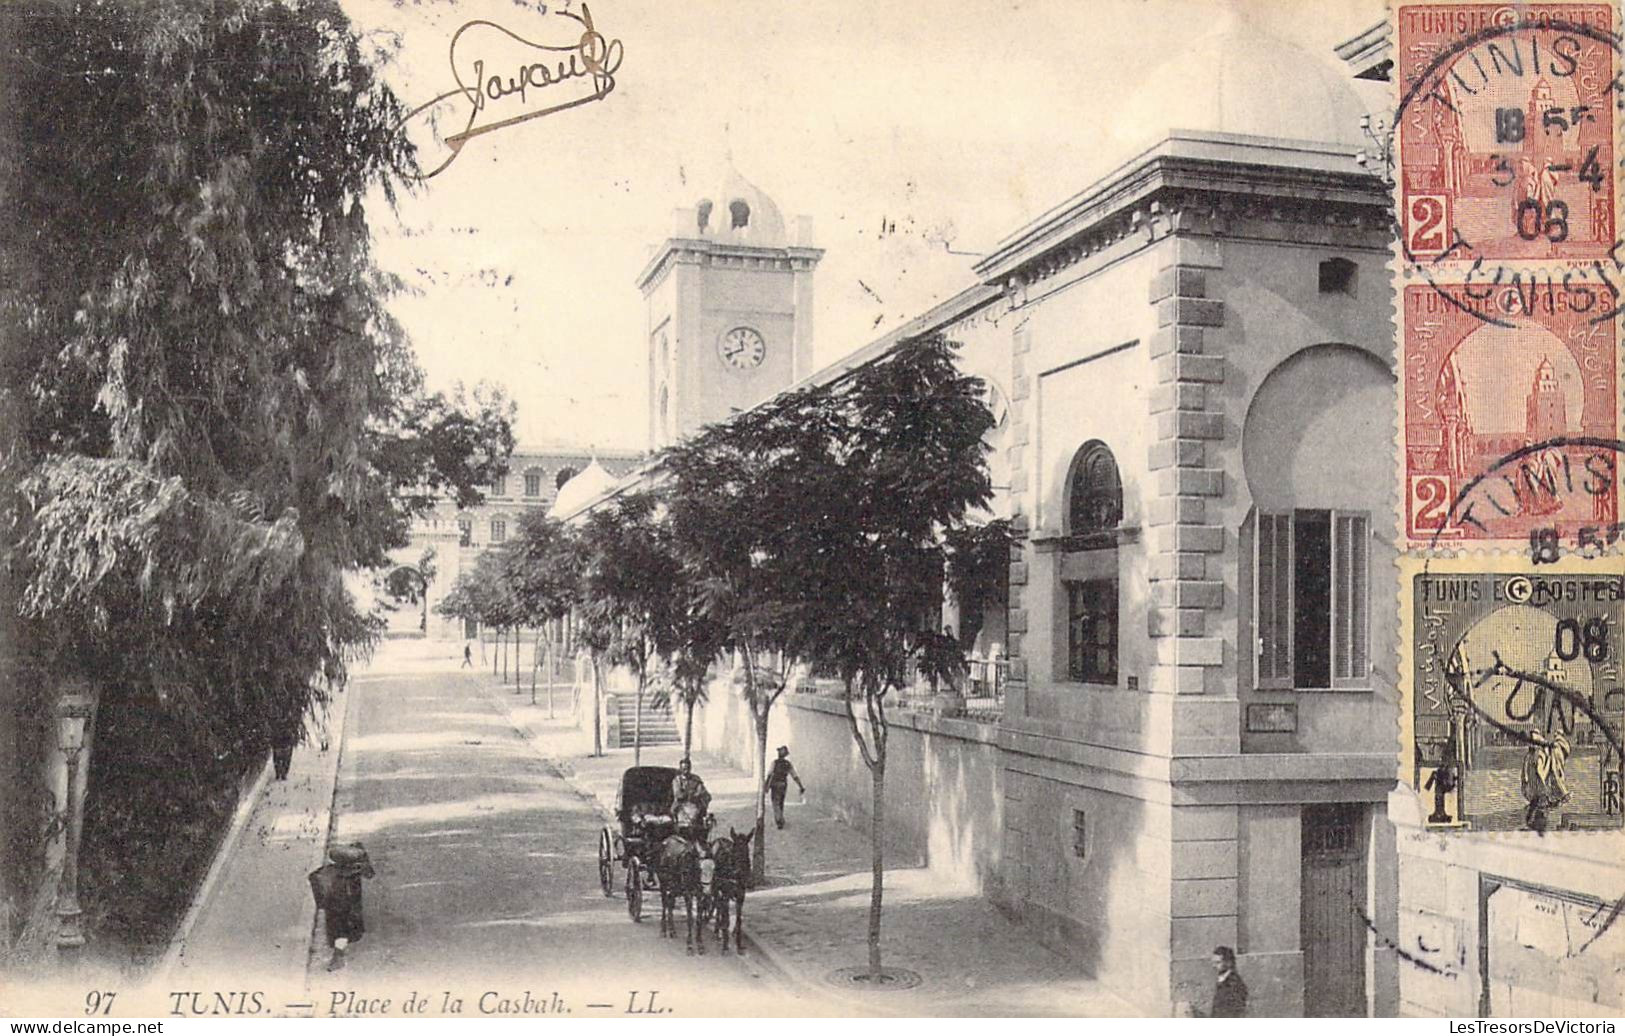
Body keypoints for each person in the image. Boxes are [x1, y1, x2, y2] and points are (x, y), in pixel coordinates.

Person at [309, 843, 375, 971]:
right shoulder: (353, 874)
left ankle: (338, 957)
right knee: (342, 929)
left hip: (336, 907)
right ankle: (338, 957)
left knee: (339, 930)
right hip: (342, 906)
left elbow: (316, 885)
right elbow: (369, 875)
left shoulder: (326, 872)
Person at [764, 746, 805, 829]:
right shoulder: (788, 764)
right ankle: (780, 818)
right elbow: (794, 775)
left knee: (775, 802)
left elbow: (769, 775)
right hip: (783, 785)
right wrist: (800, 786)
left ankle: (779, 820)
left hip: (775, 785)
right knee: (781, 802)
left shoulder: (774, 763)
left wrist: (766, 786)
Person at [671, 758, 711, 840]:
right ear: (680, 769)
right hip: (681, 805)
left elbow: (702, 791)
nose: (686, 771)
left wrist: (697, 795)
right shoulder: (677, 780)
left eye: (687, 768)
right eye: (683, 769)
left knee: (701, 818)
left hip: (695, 804)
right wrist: (691, 794)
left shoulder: (696, 779)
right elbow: (678, 794)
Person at [1209, 946, 1248, 1017]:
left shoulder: (1235, 983)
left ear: (1228, 962)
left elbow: (1235, 1010)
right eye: (1213, 963)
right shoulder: (1221, 979)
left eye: (1218, 963)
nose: (1214, 966)